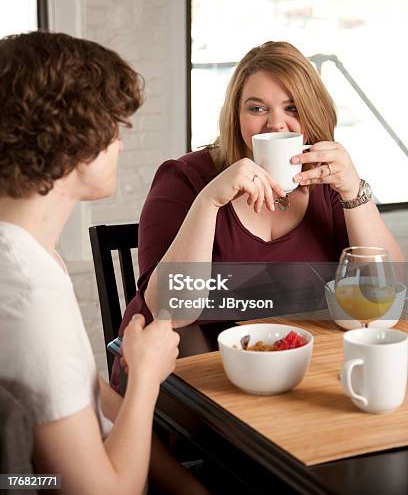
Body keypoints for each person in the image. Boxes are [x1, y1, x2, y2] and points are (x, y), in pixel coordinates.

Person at [112, 40, 404, 389]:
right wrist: (209, 202)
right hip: (175, 379)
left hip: (285, 371)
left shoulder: (328, 181)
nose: (275, 124)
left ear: (313, 114)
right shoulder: (184, 179)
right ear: (236, 116)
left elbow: (386, 298)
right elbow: (173, 311)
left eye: (292, 108)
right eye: (257, 108)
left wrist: (354, 191)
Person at [0, 32, 208, 495]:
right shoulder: (28, 293)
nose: (119, 143)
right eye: (113, 126)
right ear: (71, 143)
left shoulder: (30, 255)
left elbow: (91, 398)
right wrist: (147, 376)